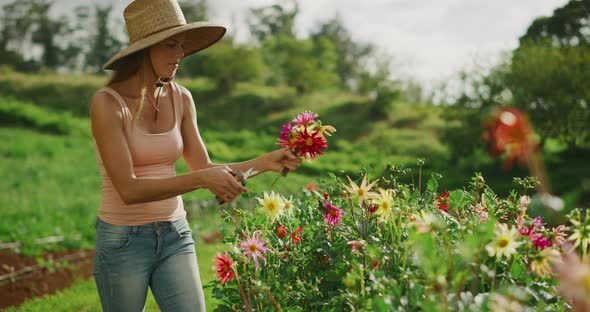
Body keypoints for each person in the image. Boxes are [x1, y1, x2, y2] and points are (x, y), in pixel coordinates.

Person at [90, 0, 302, 311]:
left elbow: (203, 167)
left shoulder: (181, 97)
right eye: (170, 45)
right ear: (143, 50)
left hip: (175, 233)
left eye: (182, 45)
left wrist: (264, 163)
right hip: (123, 240)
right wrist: (203, 179)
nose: (180, 54)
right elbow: (129, 189)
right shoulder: (108, 104)